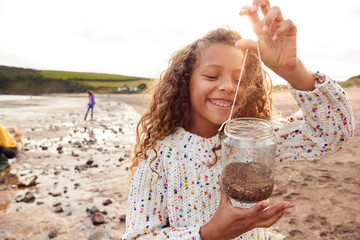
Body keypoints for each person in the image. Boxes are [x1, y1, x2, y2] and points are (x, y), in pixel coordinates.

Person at [122, 0, 355, 239]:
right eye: (212, 76)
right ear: (184, 81)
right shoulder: (160, 154)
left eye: (239, 80)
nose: (227, 87)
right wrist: (211, 233)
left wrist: (292, 68)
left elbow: (334, 132)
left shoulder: (256, 137)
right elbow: (137, 236)